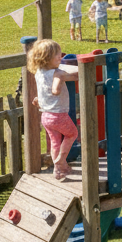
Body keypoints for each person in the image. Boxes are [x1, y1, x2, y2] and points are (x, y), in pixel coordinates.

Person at [27, 38, 80, 179]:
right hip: (58, 115)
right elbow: (63, 84)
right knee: (72, 134)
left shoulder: (39, 72)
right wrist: (66, 77)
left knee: (55, 142)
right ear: (46, 57)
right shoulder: (57, 73)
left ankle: (59, 170)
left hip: (45, 116)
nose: (60, 55)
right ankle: (61, 160)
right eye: (56, 54)